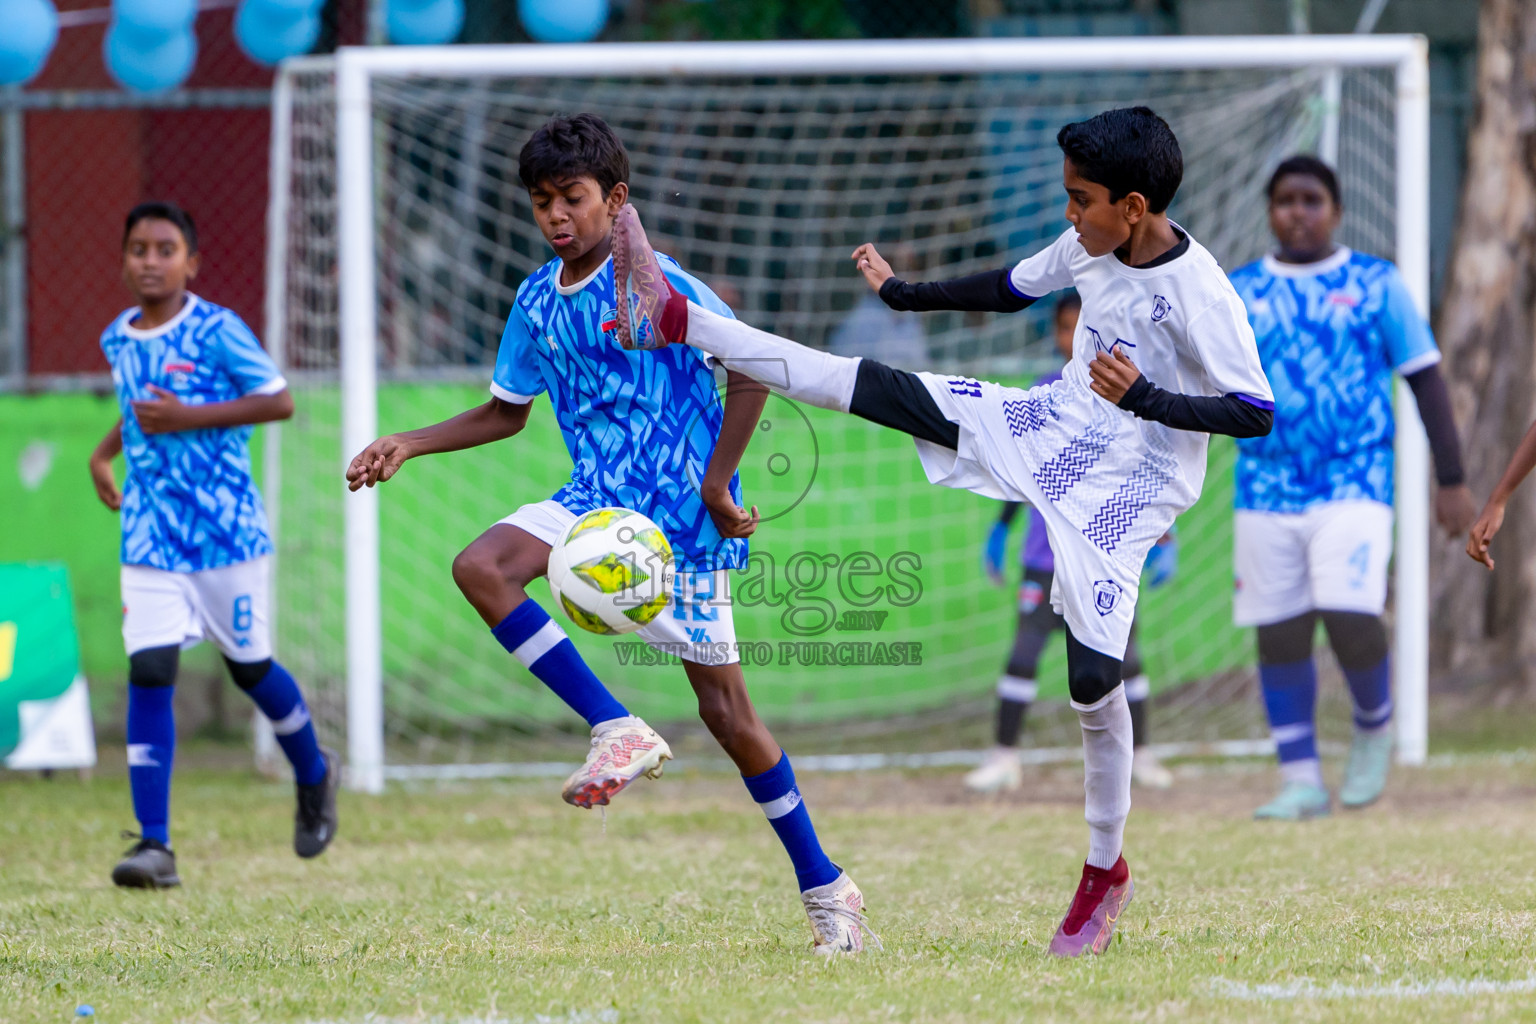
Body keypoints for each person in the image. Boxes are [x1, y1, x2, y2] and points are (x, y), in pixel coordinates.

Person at [608, 106, 1273, 956]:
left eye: (1081, 201)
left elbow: (1254, 411)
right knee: (878, 388)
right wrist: (901, 294)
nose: (1070, 216)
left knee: (1091, 683)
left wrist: (1143, 396)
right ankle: (677, 317)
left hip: (1130, 491)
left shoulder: (1201, 293)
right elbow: (1009, 287)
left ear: (1134, 206)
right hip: (1049, 425)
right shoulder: (1091, 247)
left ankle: (1104, 868)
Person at [344, 114, 875, 956]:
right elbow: (505, 412)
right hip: (593, 504)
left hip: (678, 524)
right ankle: (615, 727)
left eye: (573, 199)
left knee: (729, 716)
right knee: (482, 567)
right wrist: (408, 441)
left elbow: (753, 368)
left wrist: (715, 483)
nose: (556, 215)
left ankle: (826, 885)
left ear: (614, 200)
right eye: (542, 202)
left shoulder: (664, 288)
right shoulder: (532, 301)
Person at [89, 202, 339, 890]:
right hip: (149, 533)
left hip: (226, 535)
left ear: (190, 264)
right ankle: (155, 845)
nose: (150, 259)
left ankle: (315, 773)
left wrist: (188, 418)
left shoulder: (218, 329)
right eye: (137, 247)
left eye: (165, 248)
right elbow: (140, 409)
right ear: (124, 259)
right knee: (150, 672)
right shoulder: (118, 337)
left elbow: (278, 400)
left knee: (250, 668)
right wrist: (102, 455)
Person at [1227, 155, 1475, 821]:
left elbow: (1425, 378)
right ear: (1270, 210)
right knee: (1278, 631)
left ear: (1335, 210)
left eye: (1311, 200)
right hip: (1264, 483)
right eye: (1284, 200)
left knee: (1348, 610)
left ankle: (1373, 723)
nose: (1297, 212)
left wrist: (1452, 480)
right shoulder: (1239, 291)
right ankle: (1300, 777)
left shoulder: (1375, 283)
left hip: (1355, 477)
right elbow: (1206, 388)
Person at [966, 298, 1176, 794]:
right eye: (1066, 328)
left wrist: (1167, 535)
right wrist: (1001, 528)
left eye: (1082, 328)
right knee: (1024, 652)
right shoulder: (1044, 392)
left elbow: (1150, 471)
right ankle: (1004, 756)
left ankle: (1140, 754)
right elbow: (1024, 471)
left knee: (1126, 657)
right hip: (1046, 557)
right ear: (1060, 335)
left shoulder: (1134, 396)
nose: (1074, 337)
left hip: (1108, 555)